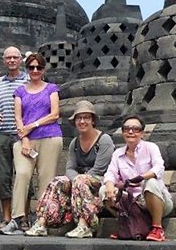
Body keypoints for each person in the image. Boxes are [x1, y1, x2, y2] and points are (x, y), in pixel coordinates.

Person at [25, 100, 114, 238]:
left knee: (80, 180)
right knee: (57, 181)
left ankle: (84, 225)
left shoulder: (104, 140)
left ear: (93, 120)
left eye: (86, 118)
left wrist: (78, 181)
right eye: (79, 118)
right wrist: (74, 182)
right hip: (79, 182)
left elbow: (99, 169)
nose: (82, 121)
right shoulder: (75, 143)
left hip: (101, 182)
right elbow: (70, 168)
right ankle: (42, 223)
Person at [0, 53, 63, 235]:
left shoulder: (51, 88)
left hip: (49, 137)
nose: (35, 70)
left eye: (39, 67)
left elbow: (54, 114)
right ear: (27, 69)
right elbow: (18, 118)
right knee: (22, 173)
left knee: (46, 178)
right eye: (31, 67)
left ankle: (42, 220)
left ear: (43, 70)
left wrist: (32, 126)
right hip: (26, 140)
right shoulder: (20, 91)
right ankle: (17, 218)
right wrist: (25, 138)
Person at [102, 114, 174, 242]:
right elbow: (110, 173)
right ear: (122, 132)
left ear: (142, 133)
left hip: (155, 200)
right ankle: (128, 224)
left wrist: (141, 178)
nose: (131, 132)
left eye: (135, 129)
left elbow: (159, 168)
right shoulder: (118, 153)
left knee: (151, 183)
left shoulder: (151, 147)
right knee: (104, 190)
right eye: (126, 128)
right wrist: (109, 185)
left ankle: (157, 228)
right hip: (131, 203)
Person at [0, 46, 30, 232]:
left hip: (23, 134)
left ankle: (24, 218)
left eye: (15, 57)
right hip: (3, 134)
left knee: (24, 175)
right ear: (4, 61)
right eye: (9, 58)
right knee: (3, 176)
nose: (12, 60)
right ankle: (6, 218)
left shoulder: (29, 80)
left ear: (20, 60)